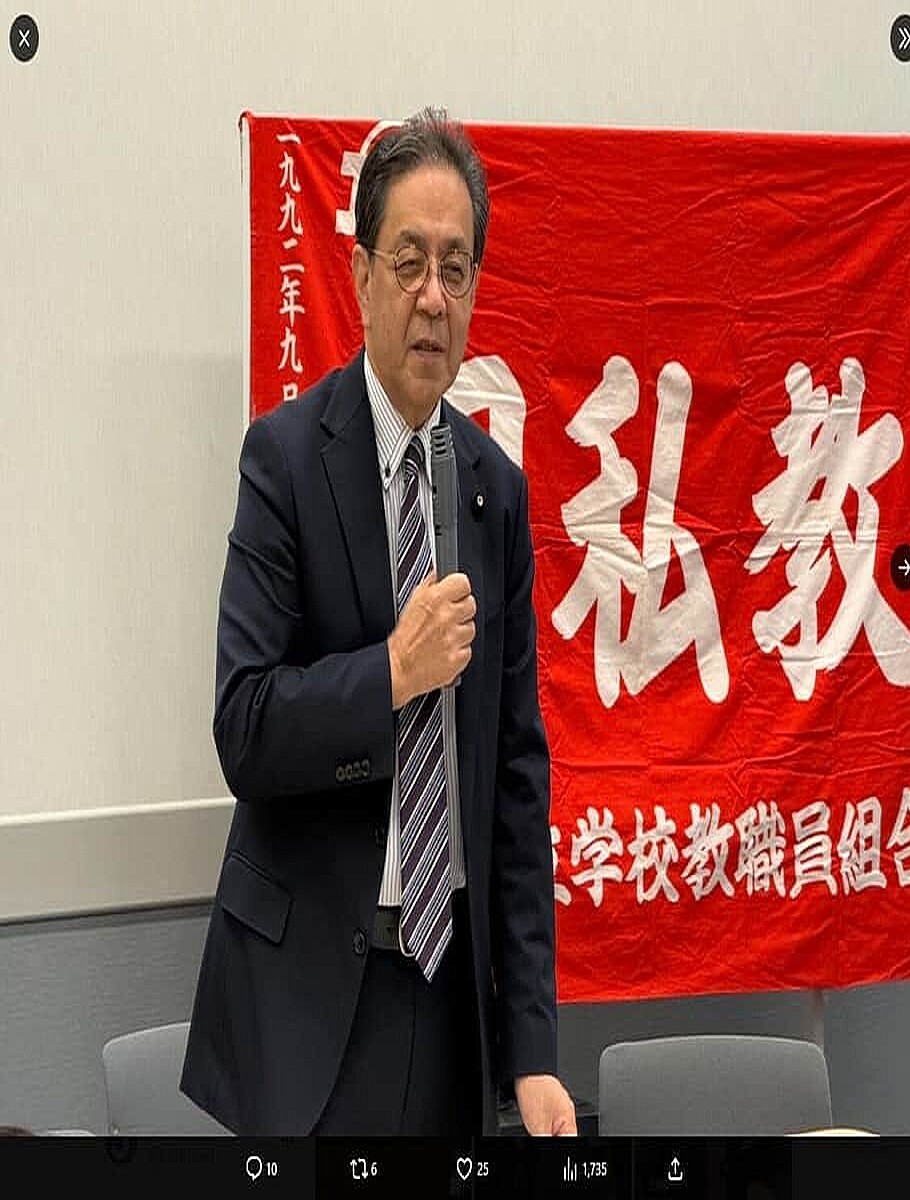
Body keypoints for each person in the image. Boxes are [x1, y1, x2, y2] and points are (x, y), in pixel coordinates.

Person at [181, 108, 575, 1138]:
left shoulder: (494, 491)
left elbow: (515, 777)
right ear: (360, 277)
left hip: (449, 1008)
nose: (432, 297)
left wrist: (533, 1049)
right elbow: (244, 725)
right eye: (408, 263)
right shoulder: (284, 459)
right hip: (311, 1006)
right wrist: (392, 672)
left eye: (456, 268)